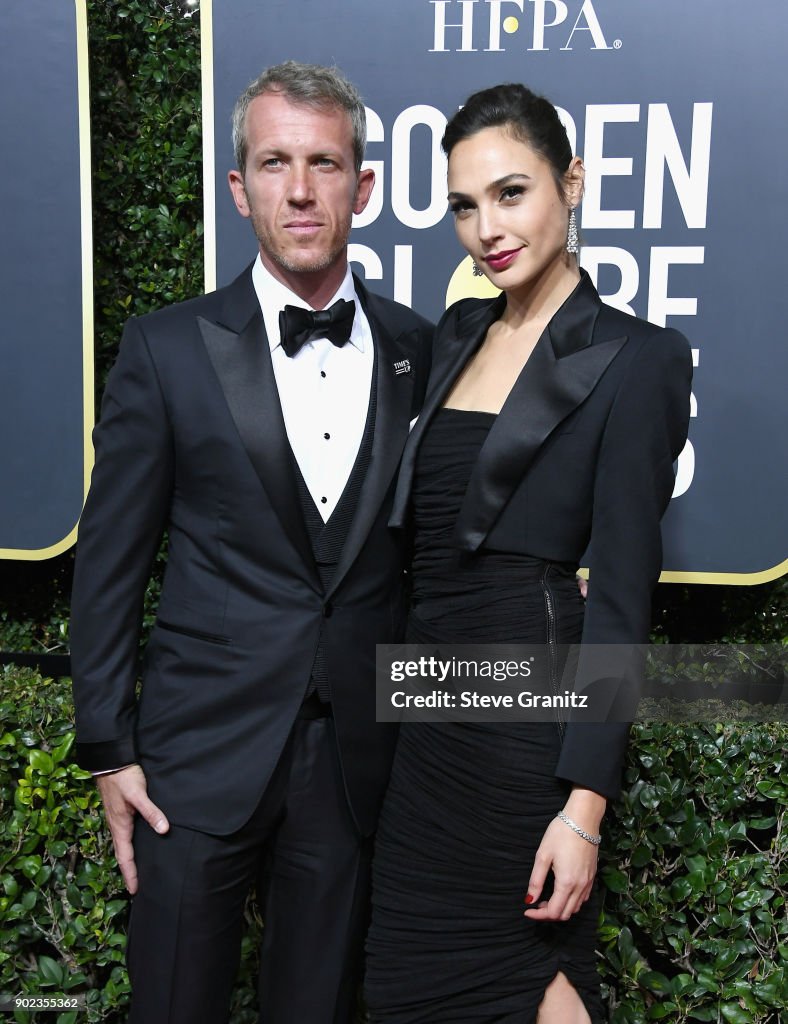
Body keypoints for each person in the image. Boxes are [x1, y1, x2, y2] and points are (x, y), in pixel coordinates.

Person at [69, 61, 431, 1024]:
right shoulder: (165, 347)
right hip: (194, 760)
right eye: (275, 163)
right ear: (239, 189)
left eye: (324, 162)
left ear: (365, 186)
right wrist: (109, 750)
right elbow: (109, 563)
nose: (300, 189)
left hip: (354, 763)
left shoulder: (420, 349)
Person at [364, 83, 693, 1023]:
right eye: (465, 206)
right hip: (424, 720)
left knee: (527, 973)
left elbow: (623, 599)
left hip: (524, 730)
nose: (486, 229)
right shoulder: (457, 334)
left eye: (511, 193)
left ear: (572, 183)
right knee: (402, 986)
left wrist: (582, 809)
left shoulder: (638, 359)